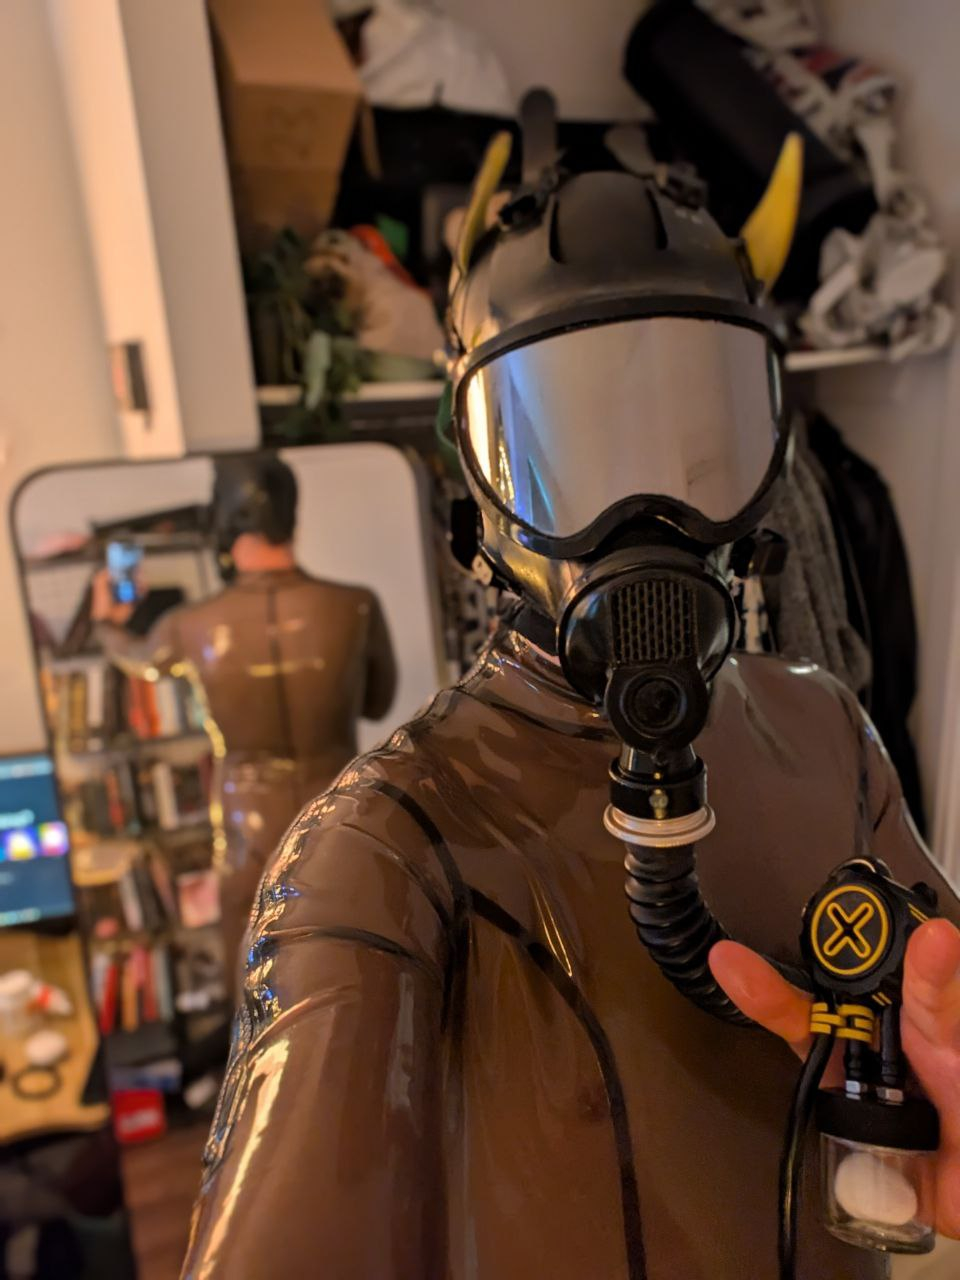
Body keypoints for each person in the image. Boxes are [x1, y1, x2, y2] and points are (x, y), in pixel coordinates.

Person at [180, 140, 960, 1280]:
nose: (646, 509)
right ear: (479, 505)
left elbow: (942, 1011)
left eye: (696, 436)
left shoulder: (826, 727)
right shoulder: (383, 849)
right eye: (574, 446)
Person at [92, 453, 396, 977]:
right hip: (340, 814)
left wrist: (106, 622)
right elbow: (378, 702)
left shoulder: (191, 625)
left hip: (247, 829)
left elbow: (137, 659)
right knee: (351, 963)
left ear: (223, 521)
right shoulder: (356, 605)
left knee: (254, 979)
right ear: (292, 516)